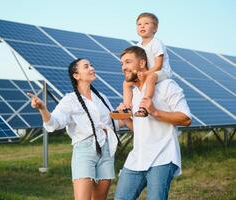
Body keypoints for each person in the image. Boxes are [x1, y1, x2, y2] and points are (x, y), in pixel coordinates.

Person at [27, 58, 122, 200]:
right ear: (76, 76)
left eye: (91, 65)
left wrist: (123, 113)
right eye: (86, 66)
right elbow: (53, 123)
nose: (91, 68)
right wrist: (42, 108)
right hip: (84, 151)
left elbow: (113, 124)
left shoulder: (102, 98)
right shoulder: (70, 100)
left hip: (106, 150)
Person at [114, 46, 191, 200]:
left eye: (128, 62)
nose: (124, 67)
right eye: (122, 64)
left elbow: (186, 119)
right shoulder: (133, 94)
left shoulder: (167, 86)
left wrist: (155, 111)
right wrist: (124, 118)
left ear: (142, 64)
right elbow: (139, 129)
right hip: (137, 157)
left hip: (163, 157)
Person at [112, 12, 173, 119]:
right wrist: (137, 75)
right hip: (145, 72)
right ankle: (127, 107)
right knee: (126, 83)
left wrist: (145, 74)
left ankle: (144, 106)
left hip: (161, 72)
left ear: (155, 29)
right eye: (139, 24)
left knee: (151, 77)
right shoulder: (137, 46)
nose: (142, 26)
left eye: (146, 23)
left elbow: (158, 65)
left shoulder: (156, 43)